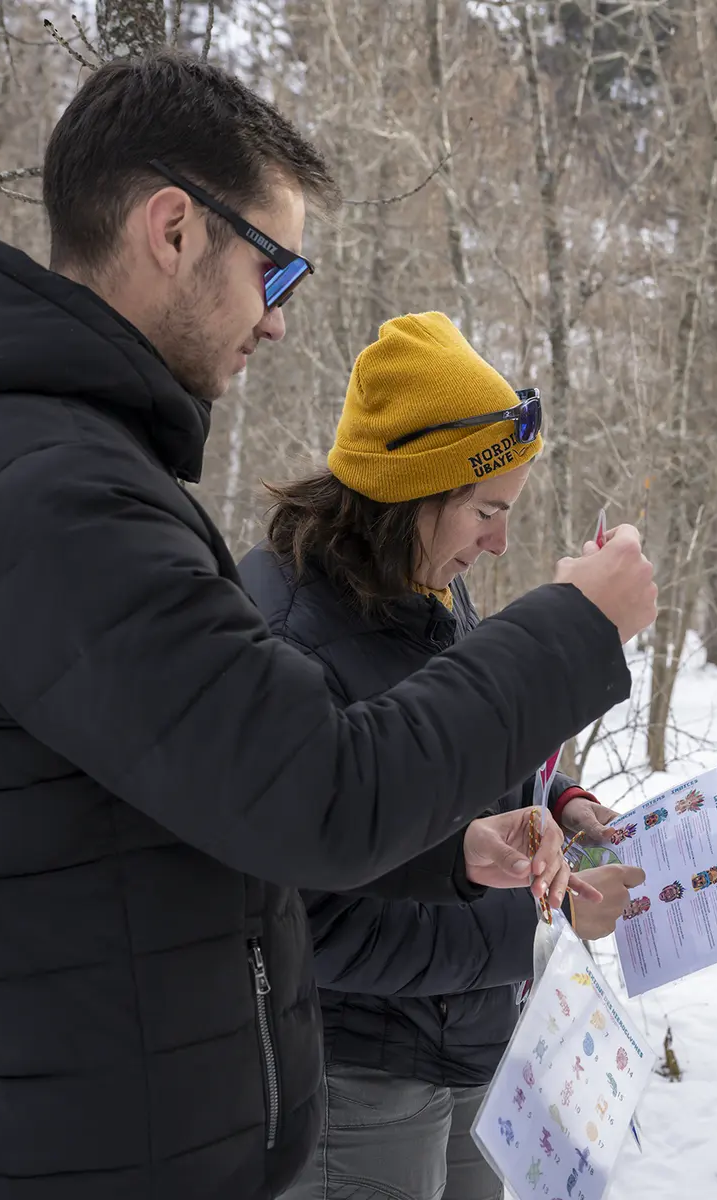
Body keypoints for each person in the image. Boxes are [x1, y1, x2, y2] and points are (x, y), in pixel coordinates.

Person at [0, 51, 657, 1200]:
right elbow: (316, 796)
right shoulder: (60, 498)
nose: (280, 321)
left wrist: (456, 852)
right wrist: (574, 630)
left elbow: (199, 805)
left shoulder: (86, 477)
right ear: (175, 229)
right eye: (273, 269)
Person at [239, 312, 646, 1200]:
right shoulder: (287, 642)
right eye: (487, 511)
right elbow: (310, 925)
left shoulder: (423, 577)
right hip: (361, 1079)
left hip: (472, 1049)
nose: (499, 543)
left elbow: (451, 756)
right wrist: (539, 920)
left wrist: (556, 792)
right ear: (407, 491)